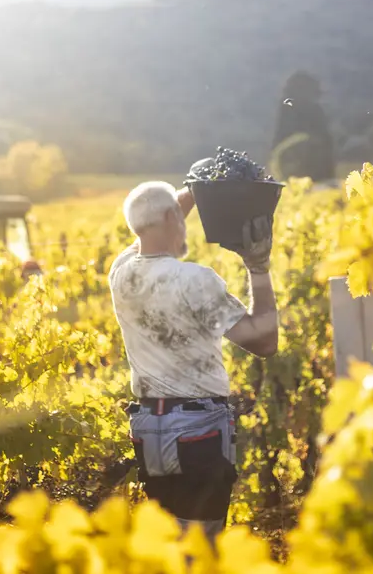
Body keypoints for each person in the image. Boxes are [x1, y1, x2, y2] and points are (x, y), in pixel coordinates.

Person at [108, 181, 278, 541]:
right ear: (172, 217)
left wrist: (187, 194)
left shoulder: (120, 274)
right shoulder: (195, 280)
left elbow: (150, 223)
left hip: (149, 432)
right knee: (201, 549)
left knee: (170, 546)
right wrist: (258, 266)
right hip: (198, 432)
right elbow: (264, 341)